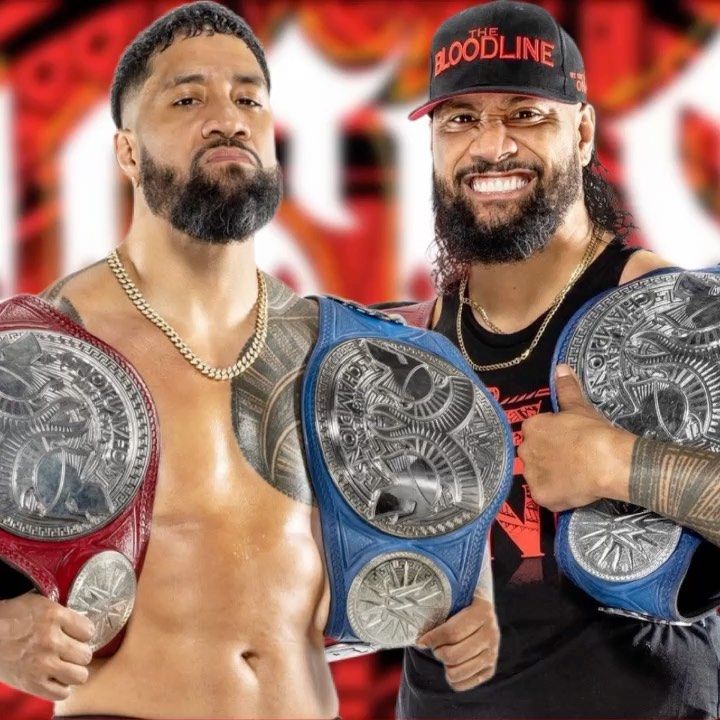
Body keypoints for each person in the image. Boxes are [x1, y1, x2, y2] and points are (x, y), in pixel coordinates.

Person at [0, 3, 500, 718]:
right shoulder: (42, 352)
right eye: (186, 98)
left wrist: (469, 609)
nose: (226, 117)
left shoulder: (343, 352)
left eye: (247, 98)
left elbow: (430, 532)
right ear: (127, 151)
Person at [394, 1, 720, 717]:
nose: (492, 146)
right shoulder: (407, 345)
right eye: (461, 119)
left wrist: (619, 466)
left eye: (525, 114)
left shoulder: (672, 314)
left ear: (582, 130)